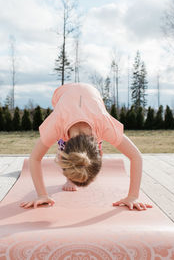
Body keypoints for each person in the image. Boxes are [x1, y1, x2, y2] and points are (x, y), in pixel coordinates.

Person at [20, 82, 153, 211]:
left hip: (92, 95)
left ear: (100, 153)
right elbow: (34, 159)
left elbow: (136, 156)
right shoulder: (56, 125)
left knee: (78, 153)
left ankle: (74, 168)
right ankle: (70, 178)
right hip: (62, 94)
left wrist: (133, 197)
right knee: (65, 146)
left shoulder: (104, 125)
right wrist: (42, 194)